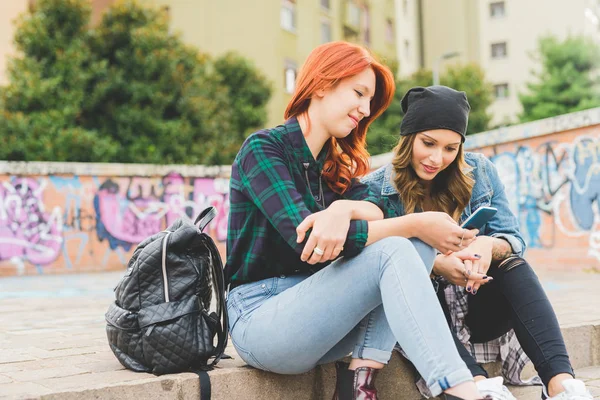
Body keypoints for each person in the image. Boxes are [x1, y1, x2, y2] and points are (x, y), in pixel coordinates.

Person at [224, 42, 495, 400]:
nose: (364, 110)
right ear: (322, 83)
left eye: (370, 102)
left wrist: (342, 209)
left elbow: (379, 210)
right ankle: (458, 387)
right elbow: (310, 242)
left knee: (411, 244)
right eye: (359, 93)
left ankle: (359, 387)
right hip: (261, 319)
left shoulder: (334, 167)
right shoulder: (263, 150)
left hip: (320, 321)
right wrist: (416, 224)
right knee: (401, 243)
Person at [362, 85, 593, 400]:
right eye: (428, 143)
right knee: (415, 282)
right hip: (423, 311)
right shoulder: (374, 189)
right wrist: (437, 264)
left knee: (514, 264)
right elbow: (367, 256)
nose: (436, 158)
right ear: (408, 137)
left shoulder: (480, 172)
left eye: (450, 148)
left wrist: (486, 246)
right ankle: (475, 385)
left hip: (476, 305)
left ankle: (561, 385)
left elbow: (513, 238)